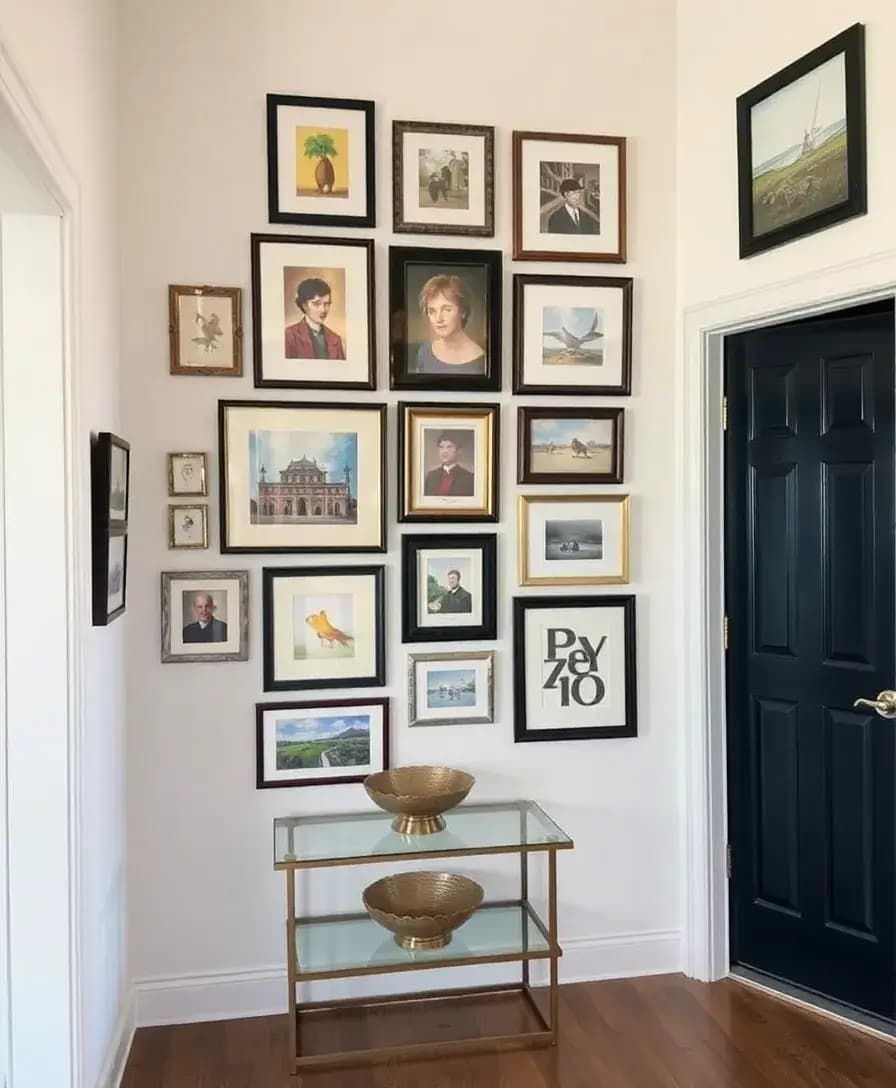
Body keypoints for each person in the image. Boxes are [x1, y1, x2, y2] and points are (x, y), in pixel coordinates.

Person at [414, 274, 486, 375]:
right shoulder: (424, 352)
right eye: (432, 311)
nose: (438, 319)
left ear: (463, 311)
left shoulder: (482, 360)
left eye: (447, 309)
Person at [284, 277, 345, 360]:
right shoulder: (290, 335)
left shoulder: (335, 339)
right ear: (304, 305)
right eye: (317, 304)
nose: (323, 310)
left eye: (327, 304)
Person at [423, 432, 475, 497]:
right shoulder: (431, 476)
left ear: (459, 451)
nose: (444, 451)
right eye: (441, 447)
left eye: (449, 447)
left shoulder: (470, 479)